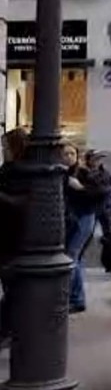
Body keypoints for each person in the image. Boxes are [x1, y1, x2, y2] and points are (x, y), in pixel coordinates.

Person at [62, 144, 108, 314]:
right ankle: (76, 297)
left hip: (84, 217)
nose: (68, 156)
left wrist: (81, 188)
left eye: (71, 153)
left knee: (72, 256)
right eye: (64, 153)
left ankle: (75, 298)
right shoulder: (60, 173)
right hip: (70, 219)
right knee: (75, 258)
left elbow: (102, 192)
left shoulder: (83, 173)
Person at [0, 128, 30, 349]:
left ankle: (6, 329)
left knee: (13, 288)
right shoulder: (9, 170)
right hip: (11, 236)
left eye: (5, 147)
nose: (3, 151)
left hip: (13, 236)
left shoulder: (19, 172)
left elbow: (21, 203)